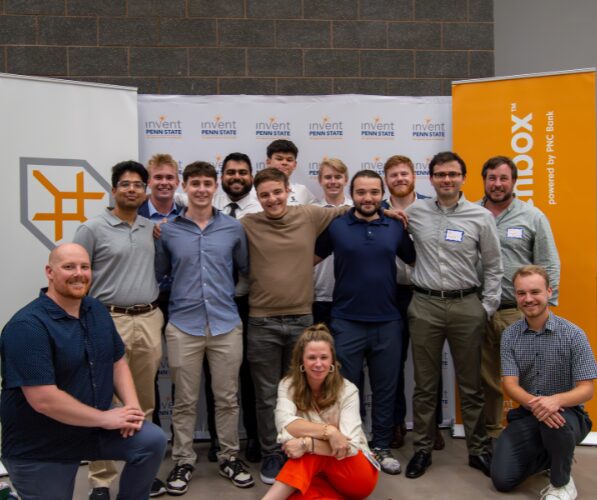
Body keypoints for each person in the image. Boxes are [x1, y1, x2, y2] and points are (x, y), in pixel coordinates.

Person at [0, 243, 167, 500]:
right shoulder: (27, 327)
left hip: (91, 427)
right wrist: (105, 419)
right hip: (42, 443)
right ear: (50, 272)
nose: (79, 273)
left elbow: (117, 360)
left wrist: (131, 409)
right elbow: (44, 400)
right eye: (69, 267)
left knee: (151, 441)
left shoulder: (96, 309)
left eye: (84, 267)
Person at [241, 167, 348, 484]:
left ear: (288, 189)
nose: (272, 199)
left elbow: (352, 209)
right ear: (257, 198)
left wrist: (391, 213)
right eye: (264, 195)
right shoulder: (247, 224)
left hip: (302, 318)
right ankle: (273, 453)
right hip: (261, 321)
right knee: (266, 396)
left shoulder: (310, 215)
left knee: (302, 394)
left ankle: (300, 448)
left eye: (277, 192)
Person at [155, 161, 254, 494]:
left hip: (226, 324)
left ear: (215, 187)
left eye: (206, 183)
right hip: (183, 325)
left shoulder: (233, 229)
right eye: (194, 183)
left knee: (227, 399)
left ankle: (228, 456)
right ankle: (183, 461)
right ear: (185, 186)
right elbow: (162, 272)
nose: (200, 189)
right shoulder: (168, 230)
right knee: (183, 401)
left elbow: (243, 271)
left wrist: (226, 297)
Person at [404, 151, 502, 479]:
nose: (447, 179)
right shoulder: (415, 212)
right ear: (430, 178)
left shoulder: (480, 216)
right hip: (425, 305)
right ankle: (421, 449)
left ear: (463, 178)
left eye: (453, 174)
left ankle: (478, 449)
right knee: (425, 384)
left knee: (471, 384)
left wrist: (485, 308)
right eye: (440, 174)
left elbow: (493, 265)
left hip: (466, 306)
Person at [73, 160, 165, 499]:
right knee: (105, 402)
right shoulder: (91, 228)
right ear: (113, 190)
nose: (132, 190)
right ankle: (100, 481)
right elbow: (78, 277)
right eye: (125, 184)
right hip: (106, 320)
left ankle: (143, 472)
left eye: (138, 185)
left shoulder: (149, 227)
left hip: (148, 318)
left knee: (143, 400)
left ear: (145, 191)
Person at [315, 169, 415, 475]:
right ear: (352, 193)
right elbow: (307, 258)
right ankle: (355, 444)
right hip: (346, 321)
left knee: (386, 389)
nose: (367, 198)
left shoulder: (396, 226)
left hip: (387, 321)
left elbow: (412, 260)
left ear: (382, 194)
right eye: (361, 192)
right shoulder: (336, 226)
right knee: (348, 390)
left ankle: (382, 446)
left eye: (374, 192)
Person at [491, 265, 596, 500]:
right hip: (528, 415)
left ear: (549, 292)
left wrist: (555, 401)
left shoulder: (574, 335)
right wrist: (539, 405)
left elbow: (587, 389)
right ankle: (559, 454)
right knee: (502, 479)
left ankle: (562, 483)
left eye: (535, 292)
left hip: (568, 416)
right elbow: (510, 384)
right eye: (521, 293)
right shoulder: (510, 335)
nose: (528, 299)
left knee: (554, 421)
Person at [478, 156, 560, 438]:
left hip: (519, 311)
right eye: (491, 178)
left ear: (513, 181)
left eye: (503, 178)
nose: (497, 184)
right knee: (487, 379)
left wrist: (542, 308)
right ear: (484, 181)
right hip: (481, 310)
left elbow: (548, 263)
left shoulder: (532, 216)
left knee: (532, 376)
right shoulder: (472, 214)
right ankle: (492, 435)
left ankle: (539, 435)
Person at [263, 325, 379, 499]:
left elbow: (350, 447)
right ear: (301, 360)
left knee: (308, 455)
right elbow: (285, 427)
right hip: (322, 478)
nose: (318, 364)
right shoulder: (288, 385)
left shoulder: (348, 390)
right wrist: (330, 432)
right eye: (311, 357)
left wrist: (306, 443)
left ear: (332, 360)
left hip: (356, 474)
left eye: (324, 357)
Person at [382, 154, 445, 451]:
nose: (399, 179)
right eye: (393, 175)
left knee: (428, 363)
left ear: (414, 176)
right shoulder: (376, 210)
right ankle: (395, 424)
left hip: (424, 292)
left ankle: (430, 426)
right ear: (386, 180)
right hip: (389, 295)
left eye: (404, 173)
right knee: (392, 364)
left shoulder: (431, 209)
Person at [211, 152, 263, 463]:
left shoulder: (263, 207)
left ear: (252, 176)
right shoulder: (207, 206)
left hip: (250, 303)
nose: (236, 177)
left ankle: (255, 436)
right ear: (222, 177)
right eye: (230, 172)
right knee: (215, 376)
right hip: (215, 304)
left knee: (251, 375)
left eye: (243, 172)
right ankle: (220, 439)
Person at [312, 158, 352, 326]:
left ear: (346, 179)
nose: (333, 181)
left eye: (338, 176)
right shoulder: (311, 211)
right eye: (328, 177)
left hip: (350, 294)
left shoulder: (357, 209)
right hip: (318, 294)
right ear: (320, 180)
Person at [266, 139, 316, 205]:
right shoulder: (255, 192)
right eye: (279, 159)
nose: (284, 163)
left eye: (289, 160)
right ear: (268, 162)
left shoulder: (302, 191)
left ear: (295, 165)